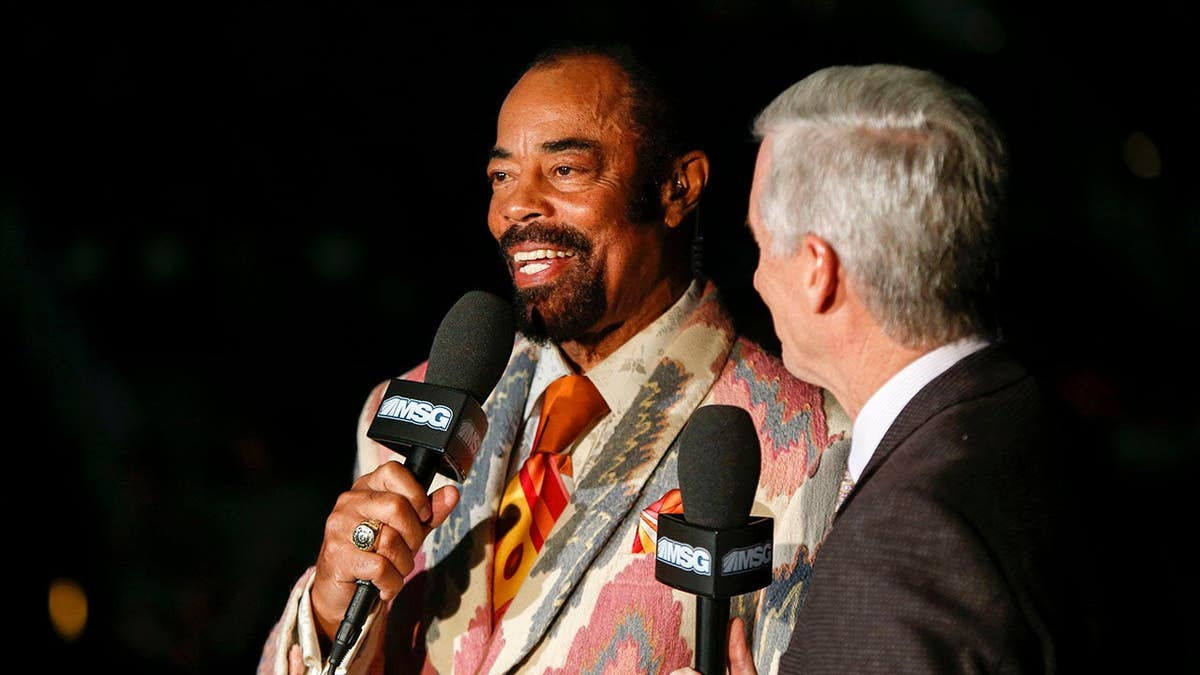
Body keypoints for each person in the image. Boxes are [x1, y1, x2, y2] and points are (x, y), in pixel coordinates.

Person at [258, 44, 853, 675]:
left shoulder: (813, 443)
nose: (516, 207)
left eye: (565, 169)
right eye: (502, 176)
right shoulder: (402, 407)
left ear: (679, 188)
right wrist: (327, 614)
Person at [677, 63, 1094, 674]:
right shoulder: (1028, 417)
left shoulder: (903, 549)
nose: (758, 278)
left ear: (819, 269)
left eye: (762, 247)